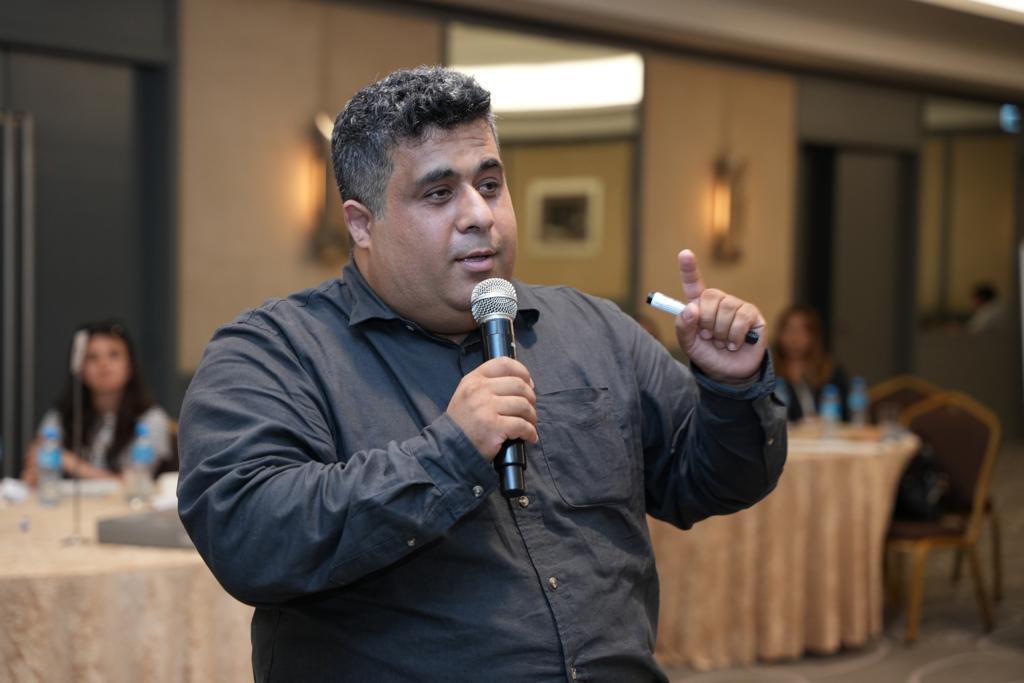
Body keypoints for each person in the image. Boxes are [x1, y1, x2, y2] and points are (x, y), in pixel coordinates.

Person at [177, 66, 787, 682]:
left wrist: (733, 387)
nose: (479, 215)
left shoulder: (594, 330)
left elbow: (713, 480)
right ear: (362, 223)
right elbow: (248, 540)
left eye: (490, 185)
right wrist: (450, 453)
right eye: (439, 194)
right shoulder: (275, 353)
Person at [21, 320, 172, 485]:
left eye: (114, 355)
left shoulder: (151, 419)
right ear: (79, 369)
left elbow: (135, 483)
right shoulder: (60, 417)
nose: (103, 364)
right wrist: (35, 470)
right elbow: (34, 473)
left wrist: (71, 463)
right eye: (92, 357)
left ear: (131, 366)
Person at [771, 305, 848, 422]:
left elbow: (846, 413)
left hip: (825, 431)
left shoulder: (830, 370)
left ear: (813, 336)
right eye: (789, 330)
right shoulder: (768, 372)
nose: (794, 338)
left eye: (801, 331)